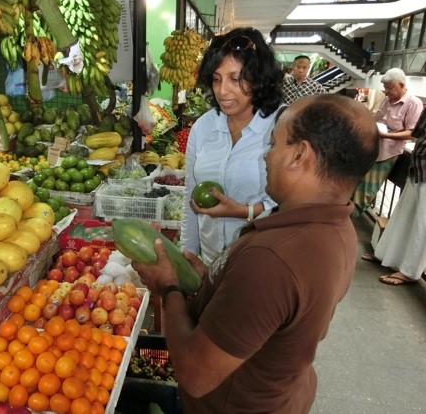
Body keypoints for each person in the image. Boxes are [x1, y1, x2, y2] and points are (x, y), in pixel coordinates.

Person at [131, 94, 380, 413]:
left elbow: (194, 374)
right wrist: (213, 282)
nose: (266, 156)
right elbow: (271, 316)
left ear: (299, 155)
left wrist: (169, 288)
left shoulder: (272, 259)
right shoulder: (339, 229)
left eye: (274, 144)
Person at [181, 27, 284, 266]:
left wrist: (245, 211)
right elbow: (191, 196)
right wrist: (187, 257)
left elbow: (298, 203)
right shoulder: (204, 128)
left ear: (258, 78)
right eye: (216, 79)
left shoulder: (283, 126)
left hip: (260, 260)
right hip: (210, 259)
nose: (222, 91)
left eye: (235, 79)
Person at [362, 107, 426, 285]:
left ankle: (410, 271)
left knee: (422, 224)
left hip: (421, 167)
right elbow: (418, 131)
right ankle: (390, 257)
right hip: (418, 167)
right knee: (405, 215)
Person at [351, 68, 423, 217]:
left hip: (388, 153)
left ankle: (351, 217)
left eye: (390, 87)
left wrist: (385, 134)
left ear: (402, 85)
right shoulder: (387, 100)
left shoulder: (413, 103)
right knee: (356, 182)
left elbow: (411, 133)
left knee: (367, 189)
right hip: (372, 147)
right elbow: (377, 118)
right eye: (385, 87)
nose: (386, 91)